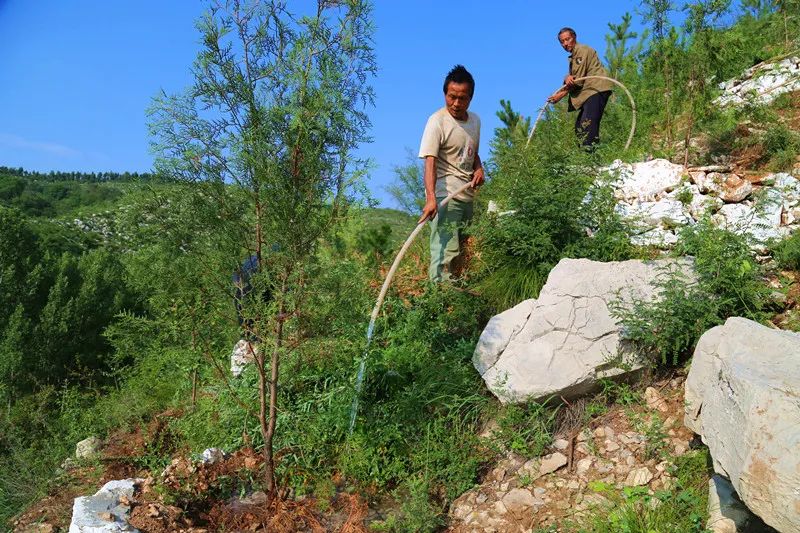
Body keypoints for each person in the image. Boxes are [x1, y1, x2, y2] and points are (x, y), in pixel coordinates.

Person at [418, 64, 485, 282]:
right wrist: (430, 199)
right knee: (446, 251)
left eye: (462, 98)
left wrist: (479, 168)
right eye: (451, 96)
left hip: (467, 197)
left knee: (464, 253)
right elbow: (430, 161)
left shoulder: (475, 121)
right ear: (445, 94)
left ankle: (457, 303)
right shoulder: (437, 121)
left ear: (471, 98)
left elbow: (472, 151)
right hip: (446, 196)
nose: (456, 103)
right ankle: (437, 301)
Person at [547, 27, 614, 148]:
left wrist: (560, 95)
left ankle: (591, 158)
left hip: (596, 89)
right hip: (590, 91)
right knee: (580, 128)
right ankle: (587, 156)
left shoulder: (581, 51)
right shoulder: (575, 56)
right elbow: (575, 78)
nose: (565, 44)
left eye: (567, 39)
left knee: (587, 125)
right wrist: (567, 77)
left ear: (574, 37)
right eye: (562, 42)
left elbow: (577, 80)